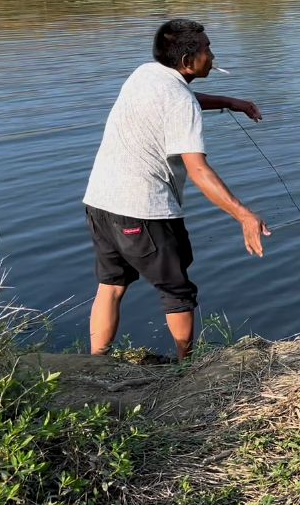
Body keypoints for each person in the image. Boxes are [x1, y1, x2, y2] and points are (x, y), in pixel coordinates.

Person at [83, 18, 270, 360]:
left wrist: (229, 101)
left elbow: (180, 96)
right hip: (143, 208)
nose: (212, 55)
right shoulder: (180, 103)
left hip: (99, 201)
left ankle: (97, 363)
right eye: (207, 49)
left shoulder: (146, 74)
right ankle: (186, 369)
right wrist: (243, 214)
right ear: (187, 62)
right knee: (178, 291)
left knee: (111, 285)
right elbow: (198, 170)